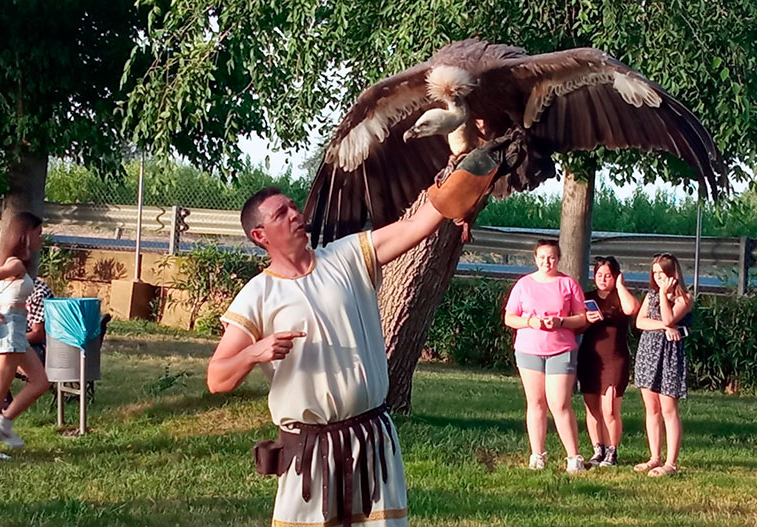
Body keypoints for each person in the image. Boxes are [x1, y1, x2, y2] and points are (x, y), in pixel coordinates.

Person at [206, 183, 454, 526]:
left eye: (294, 207)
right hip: (310, 452)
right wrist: (254, 352)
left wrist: (468, 176)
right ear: (261, 235)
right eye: (282, 213)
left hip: (371, 439)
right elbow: (217, 378)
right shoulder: (258, 295)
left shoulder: (347, 256)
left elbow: (416, 226)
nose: (296, 214)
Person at [504, 239, 588, 473]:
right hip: (529, 348)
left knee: (560, 403)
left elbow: (582, 317)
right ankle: (537, 454)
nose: (546, 262)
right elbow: (510, 318)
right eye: (542, 257)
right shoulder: (523, 285)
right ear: (535, 259)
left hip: (561, 349)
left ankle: (573, 456)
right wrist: (531, 321)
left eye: (551, 257)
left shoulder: (567, 284)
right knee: (536, 402)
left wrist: (560, 322)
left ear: (558, 259)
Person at [0, 212, 51, 460]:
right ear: (25, 235)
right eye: (38, 233)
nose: (41, 238)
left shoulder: (17, 264)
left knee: (41, 381)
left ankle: (3, 424)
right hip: (10, 328)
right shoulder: (15, 263)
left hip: (17, 327)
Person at [633, 253, 693, 477]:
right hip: (649, 353)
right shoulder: (650, 295)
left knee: (668, 409)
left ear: (672, 274)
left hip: (669, 356)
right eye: (655, 273)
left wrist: (663, 297)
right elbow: (640, 321)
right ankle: (654, 457)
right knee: (652, 408)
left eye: (662, 273)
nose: (658, 277)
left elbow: (670, 318)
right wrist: (664, 327)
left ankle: (671, 462)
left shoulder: (684, 299)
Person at [578, 256, 639, 467]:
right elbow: (576, 327)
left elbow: (632, 309)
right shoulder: (587, 297)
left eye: (609, 275)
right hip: (590, 357)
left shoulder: (620, 297)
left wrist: (620, 286)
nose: (603, 279)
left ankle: (613, 451)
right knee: (592, 408)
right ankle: (598, 449)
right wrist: (587, 321)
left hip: (615, 358)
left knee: (610, 408)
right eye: (599, 275)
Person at [2, 277, 54, 410]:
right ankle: (4, 402)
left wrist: (11, 339)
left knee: (2, 351)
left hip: (39, 347)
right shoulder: (6, 289)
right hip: (16, 341)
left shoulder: (38, 292)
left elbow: (38, 334)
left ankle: (5, 403)